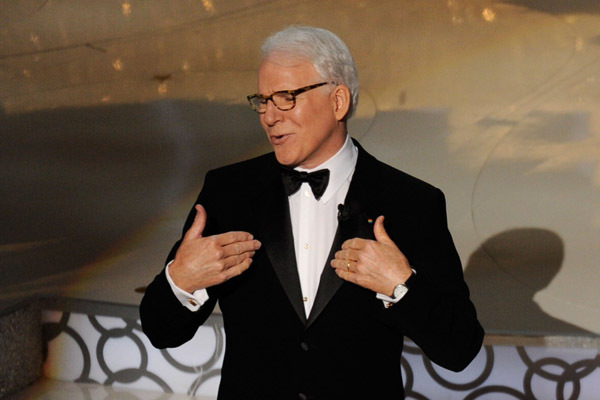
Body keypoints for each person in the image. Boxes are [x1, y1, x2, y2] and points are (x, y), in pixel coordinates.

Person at [140, 25, 484, 399]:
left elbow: (460, 349)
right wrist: (182, 280)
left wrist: (401, 286)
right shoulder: (229, 193)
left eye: (286, 97)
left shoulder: (410, 202)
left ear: (338, 102)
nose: (270, 117)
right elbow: (161, 330)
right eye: (263, 100)